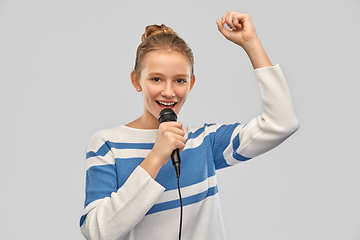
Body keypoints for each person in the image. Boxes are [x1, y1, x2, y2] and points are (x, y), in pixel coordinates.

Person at [80, 11, 299, 240]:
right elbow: (97, 232)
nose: (168, 91)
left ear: (191, 83)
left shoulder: (204, 140)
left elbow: (282, 123)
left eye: (179, 80)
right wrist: (156, 156)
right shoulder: (107, 144)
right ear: (136, 81)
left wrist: (251, 43)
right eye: (156, 79)